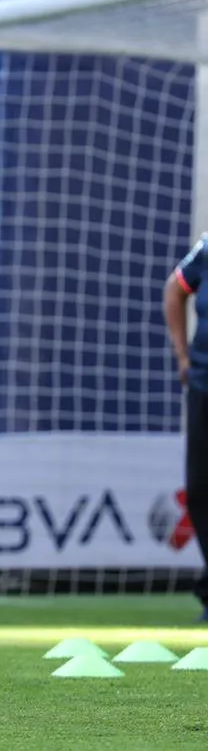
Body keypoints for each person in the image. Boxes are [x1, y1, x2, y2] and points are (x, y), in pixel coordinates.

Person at [163, 233, 208, 620]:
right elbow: (174, 291)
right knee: (200, 489)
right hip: (204, 384)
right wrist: (182, 356)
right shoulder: (207, 248)